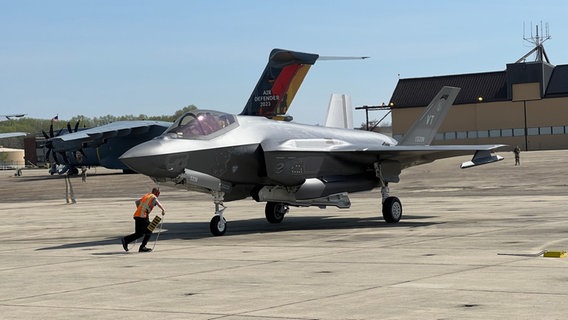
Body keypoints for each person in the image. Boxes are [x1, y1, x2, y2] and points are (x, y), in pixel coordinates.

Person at [121, 187, 165, 252]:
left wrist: (140, 209)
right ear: (156, 193)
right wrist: (163, 210)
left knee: (139, 234)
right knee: (150, 229)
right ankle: (142, 247)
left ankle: (126, 240)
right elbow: (158, 204)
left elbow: (137, 202)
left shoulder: (147, 195)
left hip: (137, 215)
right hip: (143, 216)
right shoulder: (153, 197)